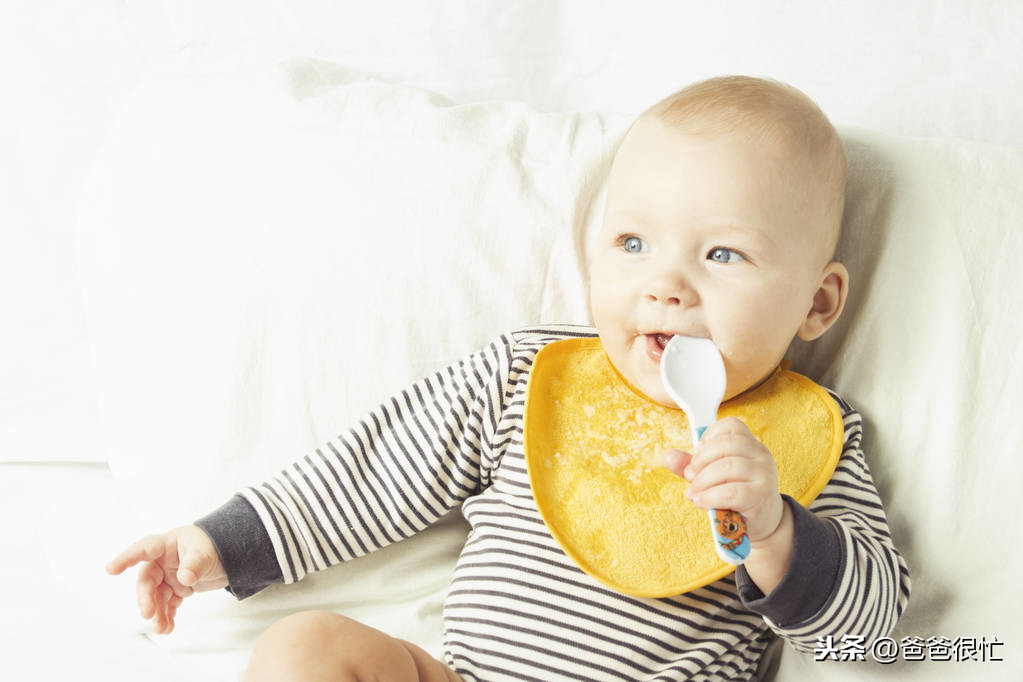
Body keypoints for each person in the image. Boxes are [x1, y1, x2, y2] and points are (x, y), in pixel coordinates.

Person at [107, 75, 910, 681]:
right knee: (304, 645)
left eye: (721, 254)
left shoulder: (806, 444)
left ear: (816, 301)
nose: (664, 285)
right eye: (632, 242)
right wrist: (221, 545)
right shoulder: (529, 373)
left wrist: (773, 532)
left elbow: (873, 627)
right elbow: (375, 470)